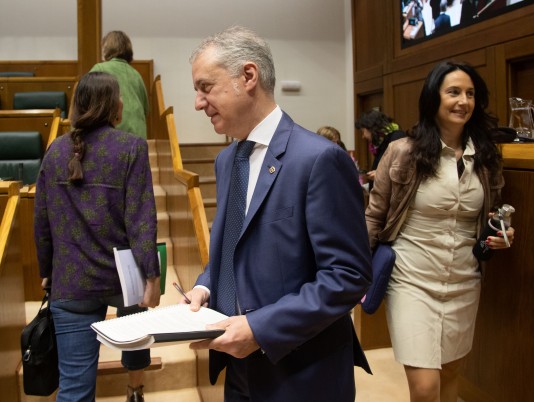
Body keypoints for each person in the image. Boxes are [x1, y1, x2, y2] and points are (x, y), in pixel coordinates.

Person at [183, 26, 372, 401]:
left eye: (205, 87)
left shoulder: (319, 159)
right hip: (238, 370)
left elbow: (348, 276)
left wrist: (258, 327)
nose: (198, 103)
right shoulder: (226, 161)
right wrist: (206, 286)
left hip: (300, 374)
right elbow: (235, 245)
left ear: (248, 77)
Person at [364, 60, 515, 402]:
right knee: (424, 387)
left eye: (470, 94)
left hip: (464, 280)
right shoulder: (403, 151)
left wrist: (502, 232)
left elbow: (493, 212)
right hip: (411, 279)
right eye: (454, 92)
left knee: (450, 374)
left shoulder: (487, 156)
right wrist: (354, 268)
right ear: (434, 98)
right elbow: (374, 215)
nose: (463, 101)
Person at [34, 72, 161, 402]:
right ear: (116, 108)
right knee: (135, 336)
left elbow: (42, 223)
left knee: (75, 389)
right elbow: (141, 219)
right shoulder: (131, 148)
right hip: (124, 280)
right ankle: (135, 389)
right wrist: (152, 275)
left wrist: (45, 271)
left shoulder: (55, 151)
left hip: (71, 282)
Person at [90, 30, 149, 139]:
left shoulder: (99, 69)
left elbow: (85, 104)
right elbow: (146, 110)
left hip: (113, 137)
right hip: (139, 138)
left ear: (106, 49)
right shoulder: (137, 75)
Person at [354, 109, 405, 189]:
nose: (363, 136)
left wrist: (381, 175)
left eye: (363, 131)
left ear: (371, 127)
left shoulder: (397, 138)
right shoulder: (383, 142)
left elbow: (402, 171)